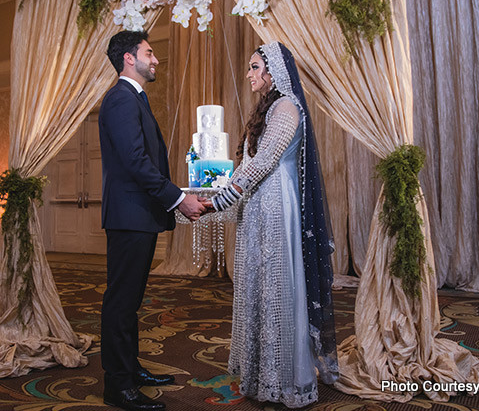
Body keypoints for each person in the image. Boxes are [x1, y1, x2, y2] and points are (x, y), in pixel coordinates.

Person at [201, 41, 340, 408]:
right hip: (258, 207)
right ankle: (262, 373)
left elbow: (263, 164)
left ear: (273, 71)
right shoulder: (268, 108)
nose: (249, 74)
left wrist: (219, 202)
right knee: (258, 286)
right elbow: (250, 166)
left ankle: (287, 378)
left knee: (277, 286)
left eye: (255, 67)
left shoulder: (287, 108)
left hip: (278, 206)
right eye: (248, 67)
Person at [99, 30, 206, 411]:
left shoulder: (133, 99)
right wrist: (178, 198)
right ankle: (118, 386)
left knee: (130, 302)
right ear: (129, 58)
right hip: (130, 216)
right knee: (121, 303)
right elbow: (135, 162)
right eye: (149, 52)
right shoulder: (120, 99)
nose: (155, 59)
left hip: (138, 214)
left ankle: (131, 370)